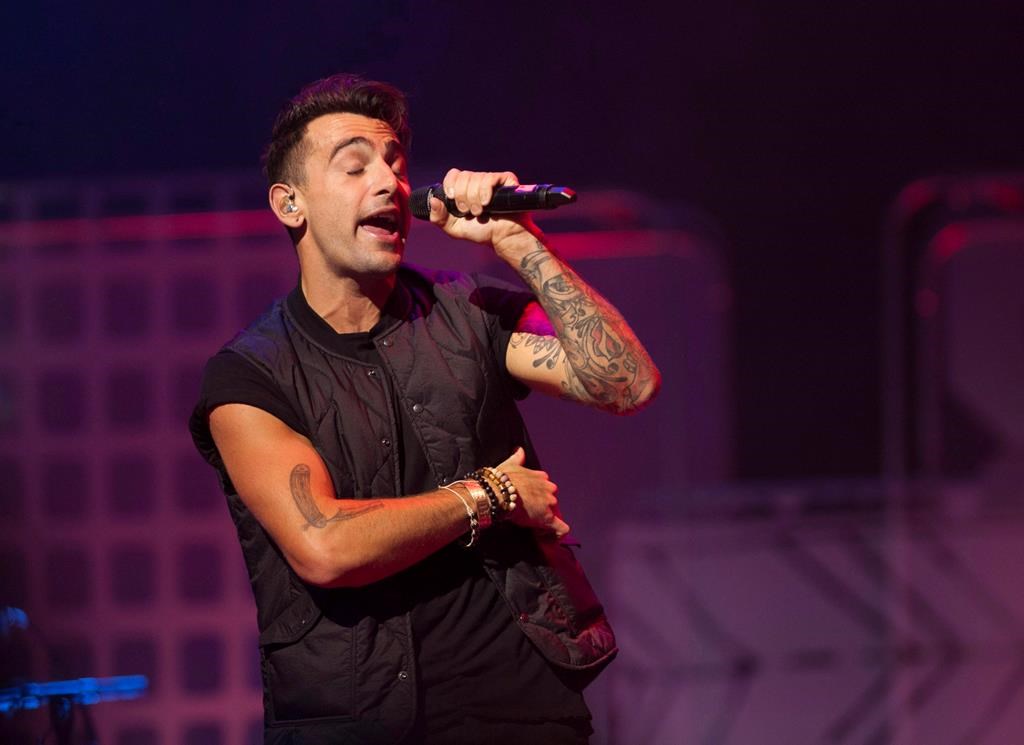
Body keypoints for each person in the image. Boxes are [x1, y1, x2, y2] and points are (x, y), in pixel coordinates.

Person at [189, 73, 660, 745]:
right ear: (290, 204)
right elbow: (324, 546)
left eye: (395, 163)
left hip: (519, 714)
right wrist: (492, 493)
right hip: (356, 726)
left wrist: (519, 242)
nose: (389, 182)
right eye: (355, 165)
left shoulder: (470, 312)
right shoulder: (251, 375)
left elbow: (627, 384)